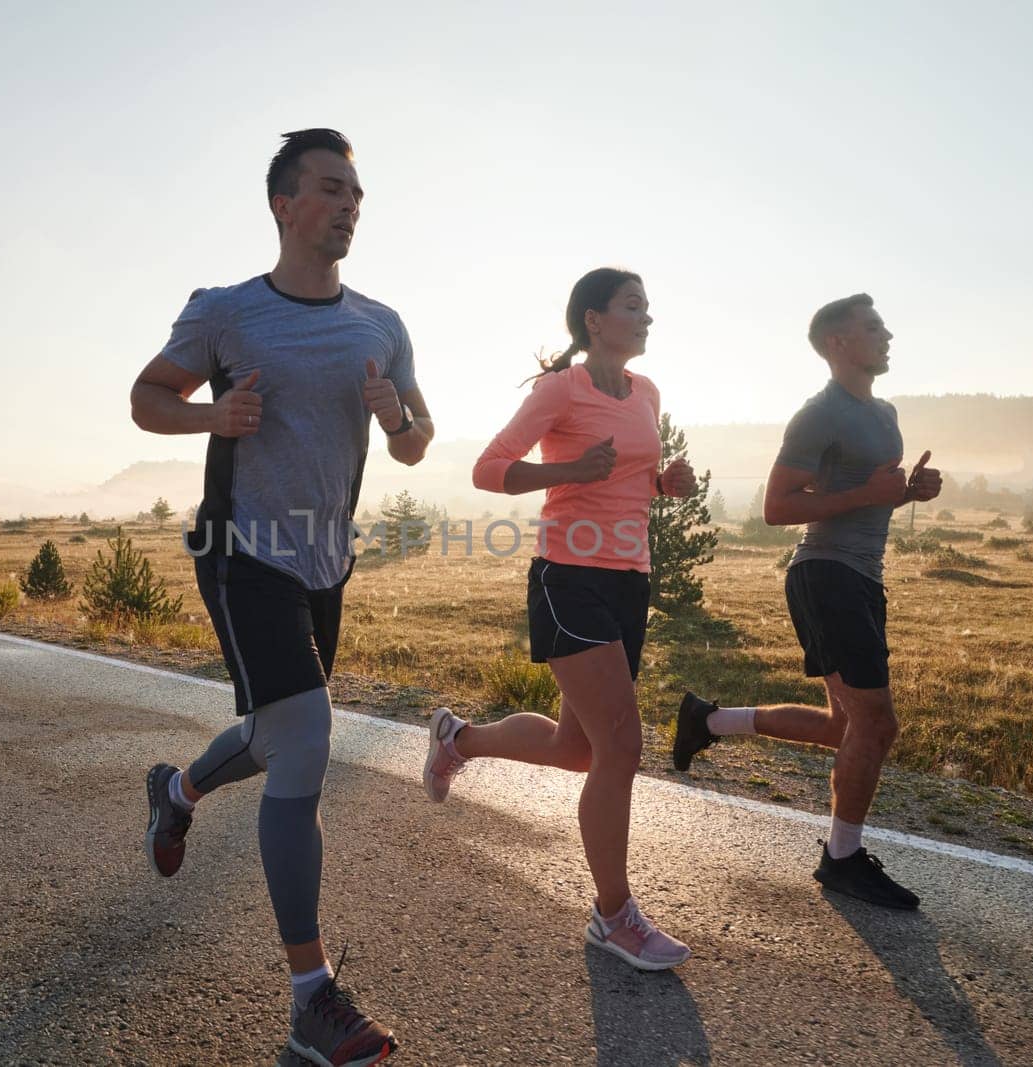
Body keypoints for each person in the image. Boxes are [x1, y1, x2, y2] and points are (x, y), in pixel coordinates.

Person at [132, 128, 433, 1067]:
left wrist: (401, 423)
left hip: (323, 563)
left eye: (357, 193)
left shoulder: (381, 322)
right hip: (240, 550)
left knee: (275, 738)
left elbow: (420, 438)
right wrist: (208, 416)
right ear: (284, 204)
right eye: (331, 189)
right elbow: (147, 398)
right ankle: (311, 996)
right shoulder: (227, 312)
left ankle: (175, 789)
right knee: (306, 737)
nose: (348, 205)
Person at [423, 267, 697, 971]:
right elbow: (491, 468)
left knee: (581, 749)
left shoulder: (647, 393)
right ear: (594, 319)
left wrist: (666, 484)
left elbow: (631, 480)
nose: (647, 318)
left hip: (628, 580)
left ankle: (460, 738)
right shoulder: (560, 390)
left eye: (648, 307)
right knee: (622, 746)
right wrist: (569, 469)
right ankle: (613, 916)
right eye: (633, 306)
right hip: (567, 576)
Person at [670, 293, 942, 910]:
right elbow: (777, 508)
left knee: (843, 726)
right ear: (837, 343)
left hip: (862, 578)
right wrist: (870, 493)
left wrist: (905, 494)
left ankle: (708, 721)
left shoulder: (886, 412)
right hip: (826, 574)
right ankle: (842, 860)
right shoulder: (818, 415)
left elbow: (864, 494)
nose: (887, 333)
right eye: (873, 327)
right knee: (876, 723)